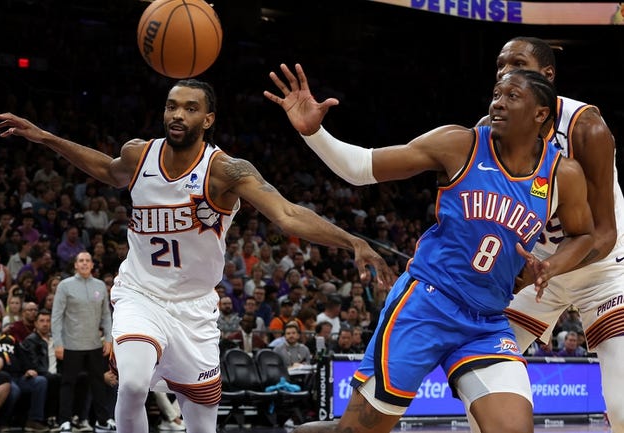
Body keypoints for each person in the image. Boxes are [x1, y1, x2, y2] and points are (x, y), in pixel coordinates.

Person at [0, 78, 391, 433]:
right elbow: (107, 169)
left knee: (201, 423)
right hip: (139, 294)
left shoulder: (227, 171)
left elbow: (286, 214)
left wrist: (351, 240)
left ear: (208, 119)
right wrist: (45, 136)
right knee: (131, 384)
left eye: (190, 108)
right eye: (171, 105)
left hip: (195, 309)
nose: (177, 114)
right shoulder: (138, 155)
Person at [265, 64, 594, 433]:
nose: (498, 103)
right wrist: (315, 133)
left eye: (512, 97)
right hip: (425, 307)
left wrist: (553, 265)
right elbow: (361, 168)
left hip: (486, 322)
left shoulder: (563, 174)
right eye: (497, 95)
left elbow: (583, 235)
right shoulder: (461, 144)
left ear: (541, 114)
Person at [480, 36, 624, 433]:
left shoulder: (586, 127)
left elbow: (604, 234)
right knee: (482, 382)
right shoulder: (490, 131)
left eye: (518, 64)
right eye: (500, 65)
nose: (507, 72)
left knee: (622, 404)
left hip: (603, 271)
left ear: (547, 76)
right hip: (540, 273)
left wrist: (546, 268)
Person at [51, 252, 114, 432]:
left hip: (94, 343)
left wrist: (108, 339)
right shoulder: (65, 286)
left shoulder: (100, 285)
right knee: (68, 384)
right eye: (81, 261)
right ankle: (64, 420)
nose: (85, 264)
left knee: (98, 384)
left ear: (92, 265)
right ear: (75, 265)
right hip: (71, 345)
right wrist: (58, 343)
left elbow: (106, 316)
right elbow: (56, 317)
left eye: (88, 261)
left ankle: (103, 420)